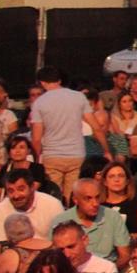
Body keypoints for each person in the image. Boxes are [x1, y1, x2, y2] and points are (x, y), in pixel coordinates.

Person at [29, 64, 94, 199]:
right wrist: (106, 149)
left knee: (54, 197)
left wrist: (36, 160)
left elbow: (36, 138)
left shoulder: (39, 103)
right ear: (59, 80)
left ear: (42, 83)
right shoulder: (79, 97)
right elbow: (96, 126)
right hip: (76, 154)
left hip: (52, 155)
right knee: (73, 197)